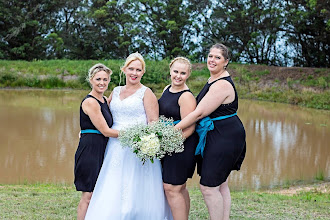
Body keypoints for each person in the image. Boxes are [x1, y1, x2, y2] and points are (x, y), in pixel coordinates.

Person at [85, 52, 173, 220]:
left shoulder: (146, 93)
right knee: (114, 181)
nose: (134, 73)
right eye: (131, 68)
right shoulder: (116, 91)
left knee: (136, 184)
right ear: (124, 70)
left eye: (138, 70)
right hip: (115, 145)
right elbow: (103, 113)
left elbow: (153, 121)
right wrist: (87, 128)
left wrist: (146, 141)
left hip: (138, 145)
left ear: (143, 72)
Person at [174, 43, 246, 220]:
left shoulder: (222, 84)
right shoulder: (213, 79)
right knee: (221, 184)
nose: (212, 60)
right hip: (218, 134)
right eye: (210, 56)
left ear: (226, 62)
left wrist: (171, 130)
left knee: (209, 186)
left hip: (225, 137)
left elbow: (199, 113)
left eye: (218, 57)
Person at [74, 63, 119, 220]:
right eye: (98, 79)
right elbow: (105, 130)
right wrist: (133, 135)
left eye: (105, 79)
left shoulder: (105, 100)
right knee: (89, 194)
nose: (102, 82)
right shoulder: (90, 102)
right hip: (90, 150)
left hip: (104, 148)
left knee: (100, 192)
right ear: (91, 80)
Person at [158, 57, 198, 220]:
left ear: (188, 74)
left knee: (171, 188)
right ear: (170, 71)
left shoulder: (186, 96)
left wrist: (168, 144)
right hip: (169, 144)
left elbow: (189, 128)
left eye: (183, 73)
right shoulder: (167, 88)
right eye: (176, 72)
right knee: (179, 188)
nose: (178, 76)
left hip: (182, 146)